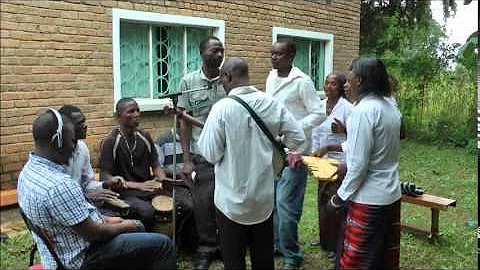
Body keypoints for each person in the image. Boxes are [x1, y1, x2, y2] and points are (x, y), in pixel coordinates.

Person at [17, 109, 175, 270]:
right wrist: (127, 225)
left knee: (135, 228)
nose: (74, 147)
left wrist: (106, 217)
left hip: (59, 251)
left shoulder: (28, 172)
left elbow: (75, 214)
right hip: (81, 258)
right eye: (72, 141)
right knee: (162, 244)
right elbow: (94, 234)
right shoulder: (59, 185)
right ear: (57, 141)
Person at [197, 57, 306, 270]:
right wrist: (276, 142)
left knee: (234, 259)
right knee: (263, 258)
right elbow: (298, 138)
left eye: (222, 79)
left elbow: (210, 154)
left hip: (230, 202)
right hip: (262, 199)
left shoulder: (222, 108)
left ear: (228, 76)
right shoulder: (271, 103)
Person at [328, 57, 402, 270]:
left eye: (349, 78)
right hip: (390, 196)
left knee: (357, 262)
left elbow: (358, 167)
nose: (345, 84)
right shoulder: (390, 108)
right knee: (382, 259)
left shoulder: (363, 111)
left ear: (359, 81)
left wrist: (338, 198)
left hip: (368, 199)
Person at [266, 40, 326, 269]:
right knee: (272, 202)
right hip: (274, 149)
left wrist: (294, 128)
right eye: (272, 54)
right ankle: (277, 244)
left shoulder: (302, 81)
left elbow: (318, 113)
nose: (274, 58)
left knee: (286, 204)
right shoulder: (271, 77)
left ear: (291, 55)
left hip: (295, 151)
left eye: (279, 54)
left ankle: (292, 255)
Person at [177, 35, 225, 269]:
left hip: (228, 153)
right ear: (202, 53)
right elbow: (183, 122)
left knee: (227, 200)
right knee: (203, 202)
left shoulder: (229, 79)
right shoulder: (188, 81)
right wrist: (186, 159)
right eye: (214, 50)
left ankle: (226, 245)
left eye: (221, 51)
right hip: (201, 152)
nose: (219, 54)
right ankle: (206, 248)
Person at [99, 98, 167, 230]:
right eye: (131, 111)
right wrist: (138, 185)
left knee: (182, 204)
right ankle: (148, 245)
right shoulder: (110, 141)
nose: (136, 114)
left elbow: (156, 165)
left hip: (147, 190)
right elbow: (105, 177)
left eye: (138, 110)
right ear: (119, 116)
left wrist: (162, 179)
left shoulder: (144, 136)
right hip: (124, 193)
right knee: (147, 212)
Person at [310, 73, 352, 261]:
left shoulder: (348, 109)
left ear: (342, 86)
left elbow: (359, 137)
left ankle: (337, 244)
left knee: (335, 204)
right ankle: (324, 240)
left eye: (333, 83)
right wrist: (313, 154)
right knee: (321, 200)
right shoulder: (319, 106)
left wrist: (345, 130)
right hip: (321, 159)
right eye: (326, 83)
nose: (328, 86)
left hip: (340, 161)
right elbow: (315, 132)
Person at [59, 105, 125, 216]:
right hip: (67, 211)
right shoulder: (56, 156)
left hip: (84, 205)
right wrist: (86, 196)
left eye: (84, 121)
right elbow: (60, 197)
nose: (85, 126)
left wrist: (106, 184)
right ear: (66, 128)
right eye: (79, 123)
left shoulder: (82, 148)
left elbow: (87, 183)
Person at [155, 128, 196, 251]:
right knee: (188, 206)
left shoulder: (196, 137)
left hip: (196, 181)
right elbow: (159, 168)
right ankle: (181, 242)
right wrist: (178, 173)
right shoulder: (163, 139)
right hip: (175, 183)